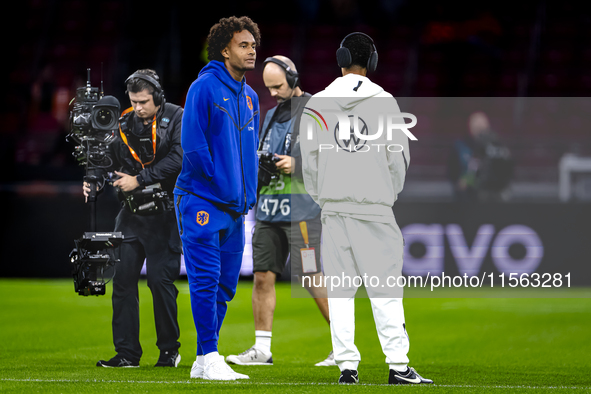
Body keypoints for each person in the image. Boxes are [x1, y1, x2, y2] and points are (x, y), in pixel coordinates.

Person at [300, 32, 433, 385]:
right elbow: (399, 158)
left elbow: (308, 162)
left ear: (341, 58)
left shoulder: (317, 104)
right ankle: (398, 366)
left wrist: (325, 197)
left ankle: (347, 368)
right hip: (374, 207)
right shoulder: (384, 102)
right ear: (371, 61)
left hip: (333, 210)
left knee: (341, 291)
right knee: (385, 289)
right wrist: (383, 195)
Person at [225, 56, 334, 367]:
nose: (273, 93)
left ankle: (343, 346)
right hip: (269, 213)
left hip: (302, 214)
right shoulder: (270, 114)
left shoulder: (317, 111)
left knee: (312, 278)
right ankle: (262, 350)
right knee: (261, 277)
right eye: (269, 87)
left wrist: (296, 164)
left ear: (294, 78)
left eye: (278, 86)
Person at [173, 16, 261, 381]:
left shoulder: (252, 96)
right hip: (202, 201)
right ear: (225, 50)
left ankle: (201, 360)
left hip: (234, 208)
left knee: (225, 284)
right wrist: (219, 184)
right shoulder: (203, 87)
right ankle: (210, 354)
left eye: (254, 44)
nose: (252, 50)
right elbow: (192, 145)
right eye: (244, 45)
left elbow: (249, 153)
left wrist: (244, 194)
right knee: (206, 279)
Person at [84, 69, 184, 368]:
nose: (138, 107)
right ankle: (127, 354)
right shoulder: (123, 121)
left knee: (159, 283)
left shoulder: (176, 116)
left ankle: (169, 350)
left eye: (143, 101)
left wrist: (139, 179)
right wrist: (96, 180)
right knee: (123, 284)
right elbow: (108, 160)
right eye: (133, 101)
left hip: (165, 215)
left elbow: (180, 157)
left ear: (158, 98)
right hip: (129, 215)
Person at [447, 111, 513, 201]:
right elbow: (461, 170)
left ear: (488, 126)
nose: (479, 128)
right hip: (469, 196)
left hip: (494, 194)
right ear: (470, 126)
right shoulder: (461, 146)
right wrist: (463, 181)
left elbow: (508, 168)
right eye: (476, 125)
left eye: (481, 125)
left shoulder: (499, 146)